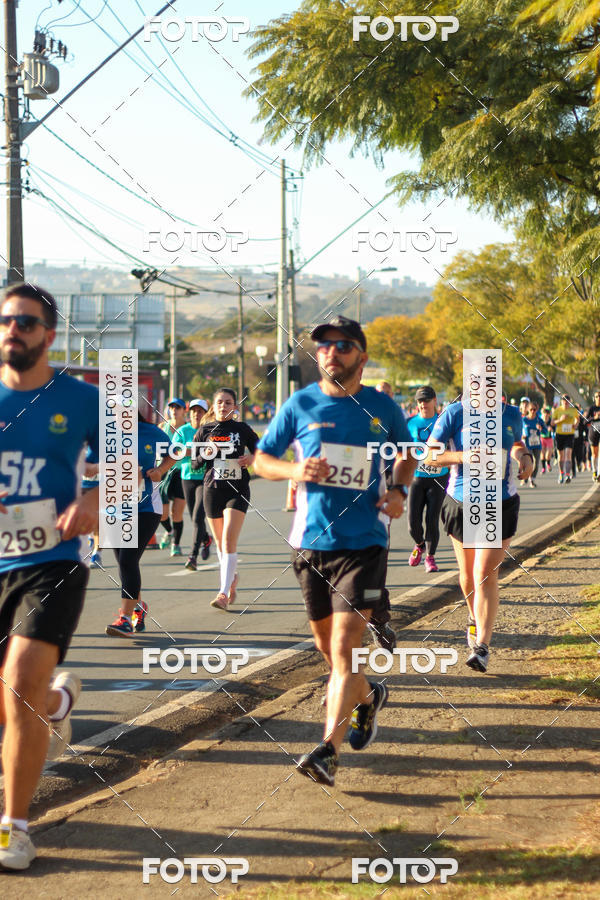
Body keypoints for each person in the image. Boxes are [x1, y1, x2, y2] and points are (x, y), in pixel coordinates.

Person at [254, 315, 416, 786]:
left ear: (361, 356)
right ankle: (369, 697)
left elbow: (408, 453)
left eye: (343, 345)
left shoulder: (382, 406)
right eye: (323, 345)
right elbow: (262, 459)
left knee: (345, 649)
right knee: (330, 653)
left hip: (365, 543)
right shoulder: (300, 403)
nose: (331, 352)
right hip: (311, 544)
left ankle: (328, 751)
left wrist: (399, 492)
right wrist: (295, 470)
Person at [0, 284, 99, 869]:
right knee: (17, 700)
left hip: (52, 560)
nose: (14, 330)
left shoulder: (82, 399)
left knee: (18, 683)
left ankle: (14, 829)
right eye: (6, 320)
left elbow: (134, 460)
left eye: (26, 322)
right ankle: (56, 704)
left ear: (49, 335)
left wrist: (92, 499)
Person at [426, 393, 533, 673]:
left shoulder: (511, 413)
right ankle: (474, 617)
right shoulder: (454, 413)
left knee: (484, 572)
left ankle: (482, 646)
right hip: (462, 501)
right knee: (468, 575)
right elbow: (430, 455)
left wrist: (525, 457)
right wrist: (464, 456)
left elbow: (517, 443)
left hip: (500, 502)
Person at [105, 411, 178, 637]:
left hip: (146, 508)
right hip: (114, 508)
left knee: (127, 560)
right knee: (123, 564)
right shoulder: (105, 433)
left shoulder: (150, 432)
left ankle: (125, 619)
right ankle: (138, 606)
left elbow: (175, 452)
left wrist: (160, 470)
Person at [191, 388, 259, 610]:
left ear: (235, 407)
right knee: (220, 543)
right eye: (220, 402)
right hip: (212, 489)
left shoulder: (242, 429)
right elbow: (194, 464)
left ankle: (222, 593)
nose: (223, 406)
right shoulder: (204, 431)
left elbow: (262, 452)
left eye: (228, 402)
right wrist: (207, 453)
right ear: (214, 406)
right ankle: (231, 578)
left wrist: (251, 458)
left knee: (229, 541)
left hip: (237, 490)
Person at [406, 385, 449, 572]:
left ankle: (430, 558)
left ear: (434, 401)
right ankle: (420, 544)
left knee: (432, 520)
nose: (423, 404)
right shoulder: (410, 423)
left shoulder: (443, 421)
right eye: (420, 401)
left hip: (438, 478)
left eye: (427, 400)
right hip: (417, 478)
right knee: (412, 524)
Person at [179, 398, 212, 570]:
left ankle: (192, 556)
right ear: (189, 413)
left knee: (198, 517)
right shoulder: (183, 431)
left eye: (200, 411)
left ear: (205, 414)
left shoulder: (210, 430)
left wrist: (190, 451)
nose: (196, 414)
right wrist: (194, 451)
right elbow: (175, 451)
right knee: (194, 517)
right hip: (187, 477)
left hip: (205, 478)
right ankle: (206, 538)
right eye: (193, 411)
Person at [158, 398, 187, 555]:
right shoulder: (162, 427)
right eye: (172, 407)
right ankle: (169, 532)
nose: (174, 410)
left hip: (182, 473)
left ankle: (176, 544)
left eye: (178, 407)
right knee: (162, 513)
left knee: (177, 513)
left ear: (184, 411)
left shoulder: (188, 428)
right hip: (164, 472)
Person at [551, 393, 580, 484]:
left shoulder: (573, 410)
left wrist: (575, 425)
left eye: (567, 401)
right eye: (564, 401)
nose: (566, 403)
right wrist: (561, 419)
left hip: (569, 435)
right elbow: (552, 423)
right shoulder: (557, 410)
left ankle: (567, 475)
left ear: (570, 402)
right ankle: (561, 473)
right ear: (561, 402)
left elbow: (578, 419)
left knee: (568, 454)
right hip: (559, 435)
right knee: (560, 456)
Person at [521, 401, 543, 487]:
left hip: (537, 445)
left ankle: (532, 480)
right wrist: (521, 436)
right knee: (529, 462)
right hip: (527, 445)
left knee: (536, 463)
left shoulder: (539, 420)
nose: (533, 411)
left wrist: (541, 428)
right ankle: (526, 476)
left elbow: (546, 431)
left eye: (534, 409)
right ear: (527, 409)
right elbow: (518, 430)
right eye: (531, 409)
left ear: (537, 410)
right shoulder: (524, 420)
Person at [540, 406, 554, 473]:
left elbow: (554, 429)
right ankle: (543, 468)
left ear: (549, 414)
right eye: (544, 413)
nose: (546, 415)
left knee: (548, 453)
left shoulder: (551, 421)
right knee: (542, 453)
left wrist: (551, 429)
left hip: (549, 438)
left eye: (547, 413)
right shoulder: (540, 420)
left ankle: (548, 464)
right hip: (542, 438)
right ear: (542, 414)